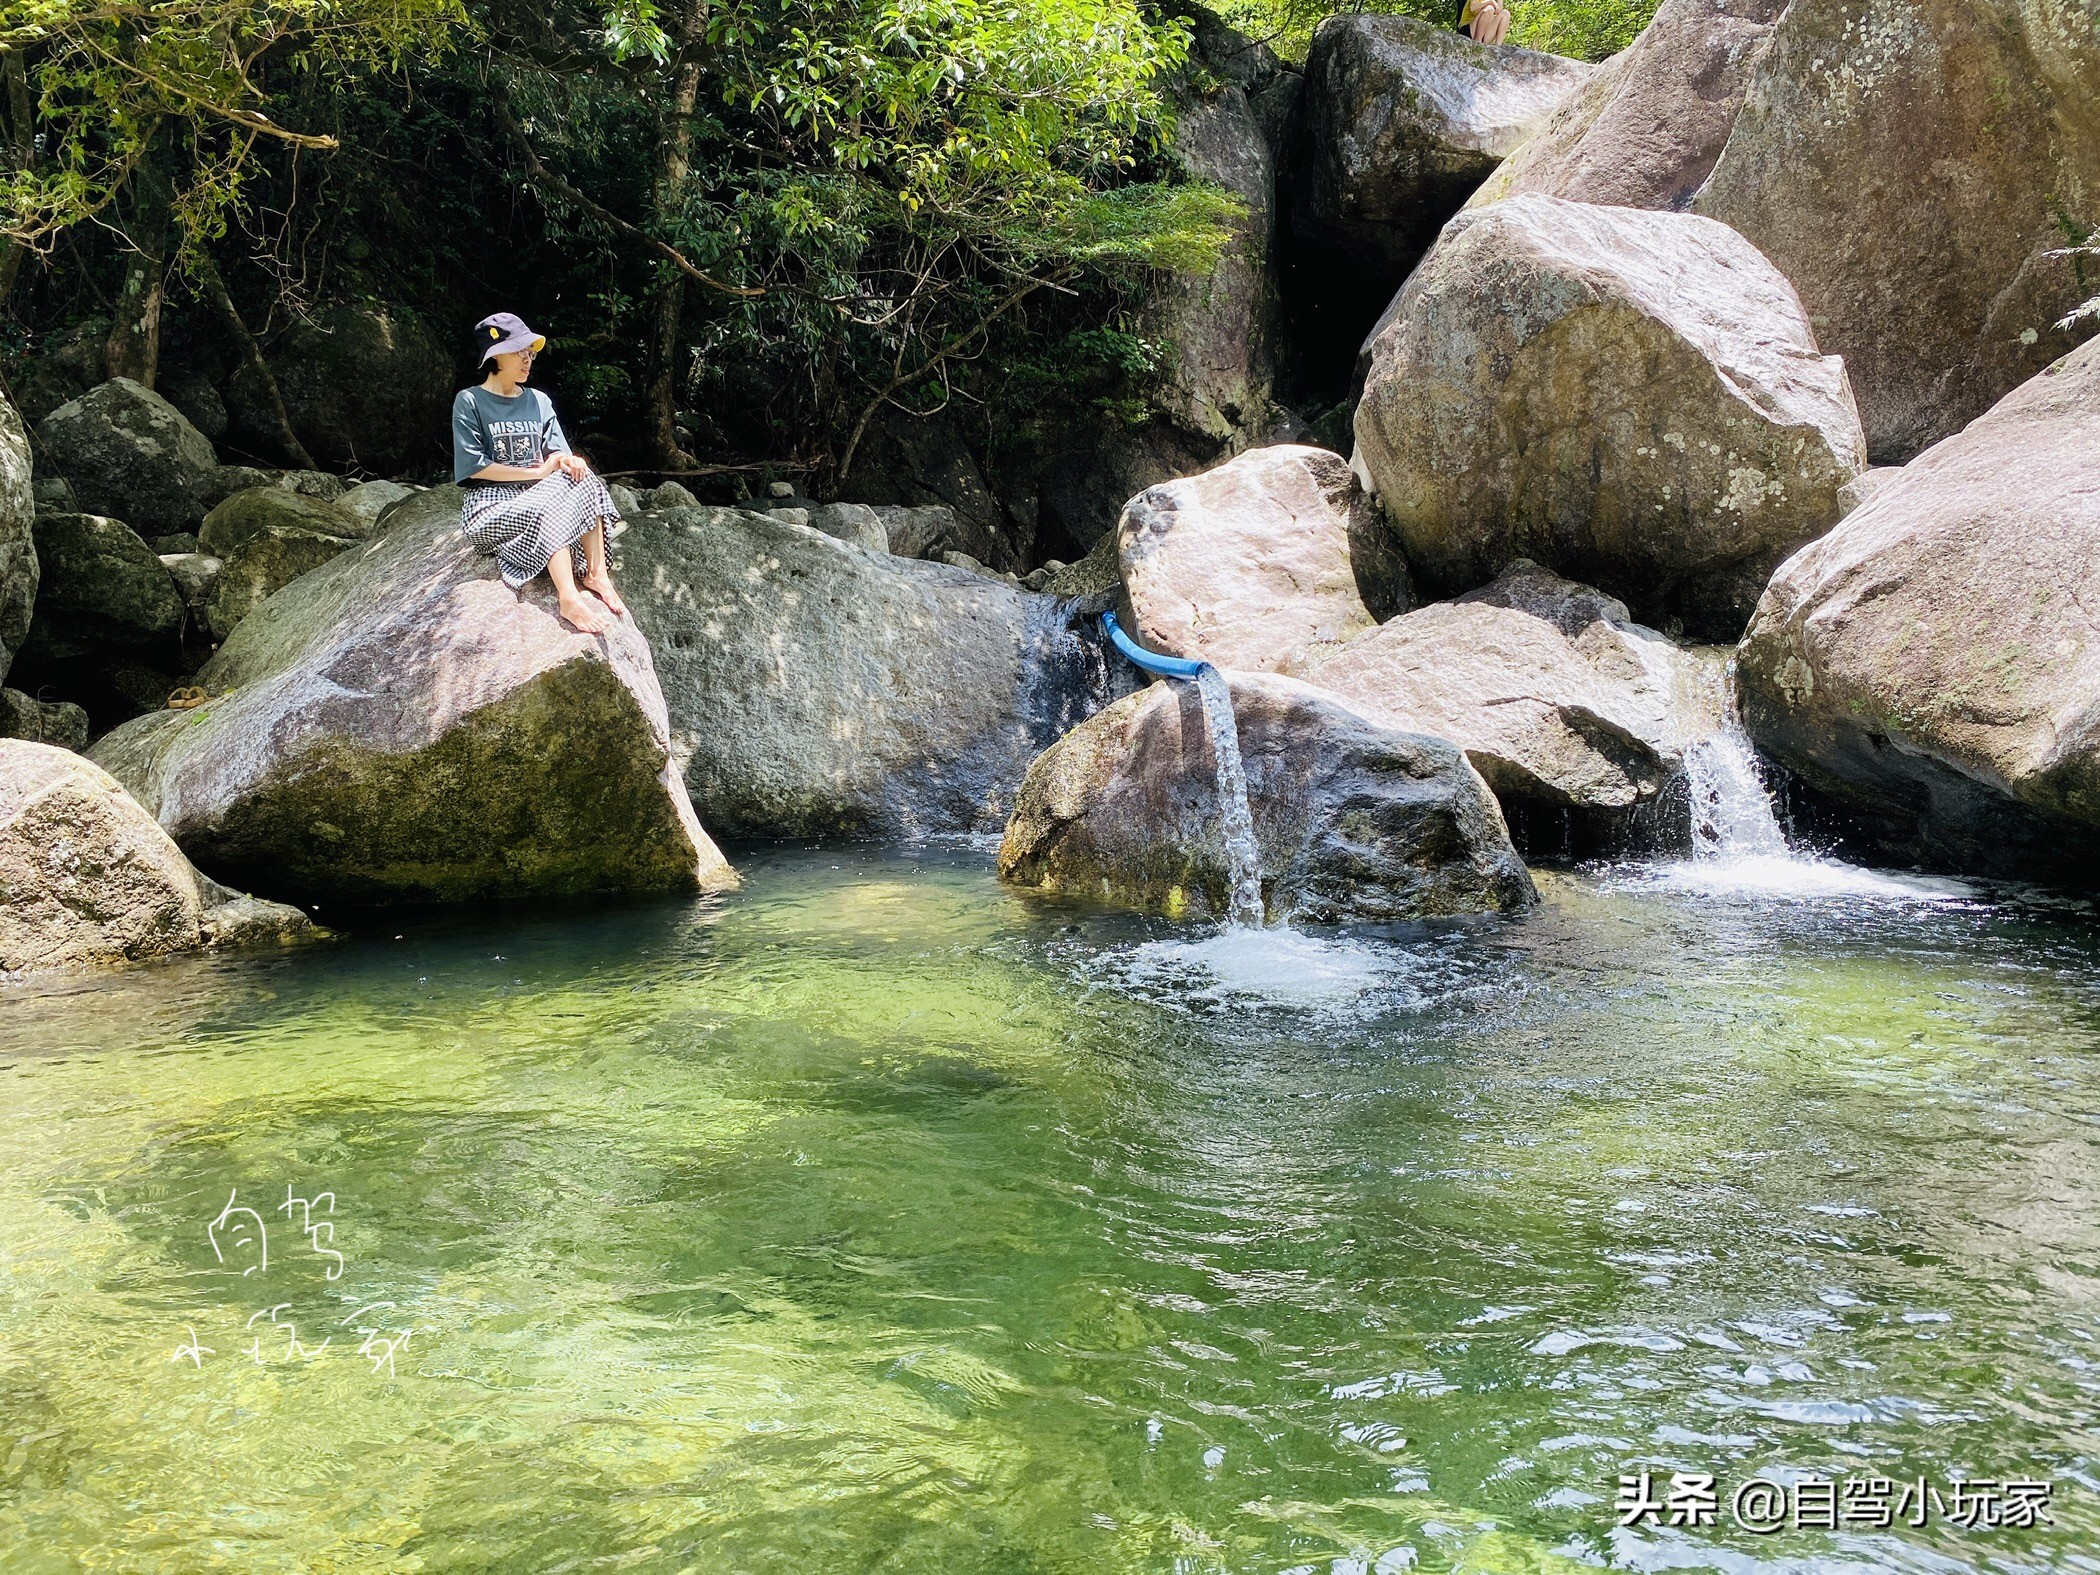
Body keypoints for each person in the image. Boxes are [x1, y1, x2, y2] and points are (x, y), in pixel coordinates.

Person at [452, 311, 627, 634]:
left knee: (583, 477)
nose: (528, 359)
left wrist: (570, 462)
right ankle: (568, 597)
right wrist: (538, 473)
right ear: (496, 355)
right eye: (520, 352)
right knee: (553, 498)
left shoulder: (539, 400)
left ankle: (596, 573)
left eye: (530, 353)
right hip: (491, 503)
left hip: (538, 493)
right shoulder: (470, 400)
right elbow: (474, 468)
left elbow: (558, 455)